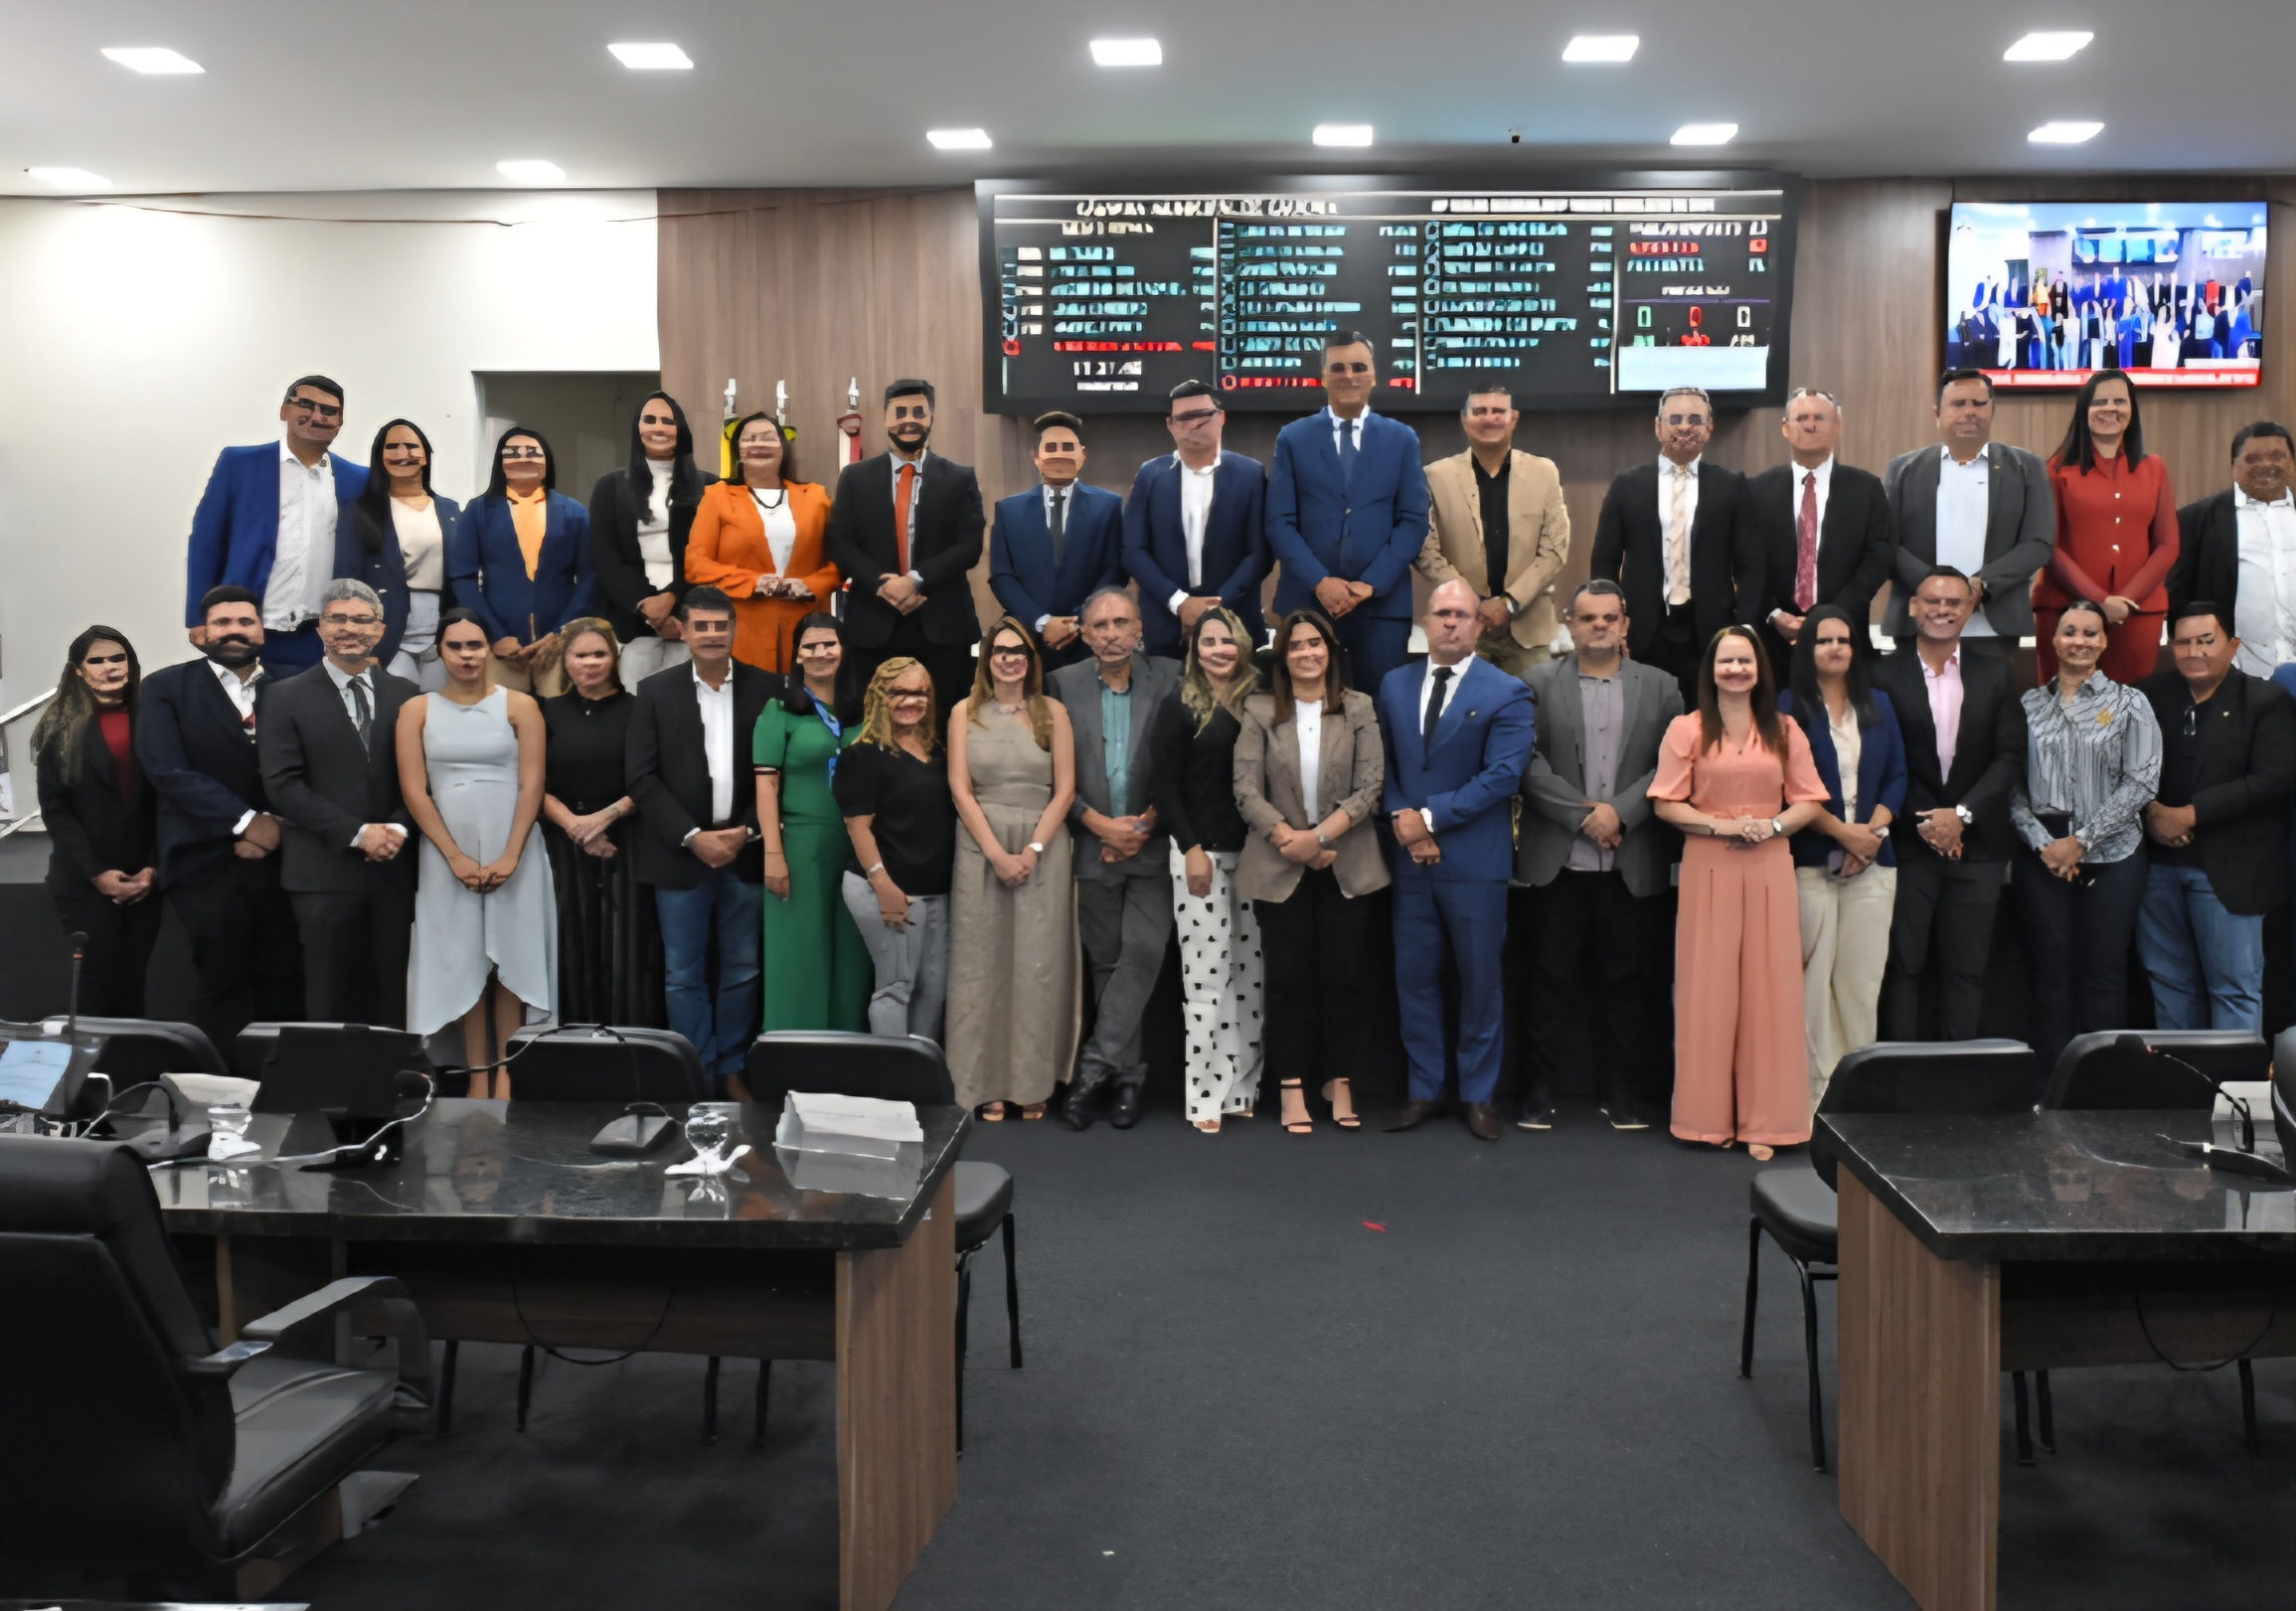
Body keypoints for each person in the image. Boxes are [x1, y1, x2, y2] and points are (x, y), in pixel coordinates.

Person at [1648, 627, 1829, 1159]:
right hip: (1709, 864)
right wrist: (1722, 826)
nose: (1735, 669)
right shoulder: (1687, 728)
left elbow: (1809, 799)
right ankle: (1705, 1120)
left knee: (1771, 992)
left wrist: (1770, 827)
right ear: (1711, 669)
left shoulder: (1785, 728)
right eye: (1725, 661)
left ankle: (1767, 1124)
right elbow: (1665, 802)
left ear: (1759, 669)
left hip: (1771, 863)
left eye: (1744, 660)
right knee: (1707, 991)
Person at [1516, 579, 1684, 1132]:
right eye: (1588, 617)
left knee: (1628, 983)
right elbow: (1525, 761)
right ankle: (1538, 1092)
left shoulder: (1662, 687)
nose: (1600, 626)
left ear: (1625, 624)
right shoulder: (1537, 682)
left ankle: (1622, 1093)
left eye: (1610, 617)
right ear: (1569, 623)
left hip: (1630, 861)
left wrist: (1621, 813)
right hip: (1557, 860)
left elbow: (1672, 765)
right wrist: (1583, 816)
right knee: (1547, 980)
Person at [1378, 581, 1537, 1142]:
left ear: (1479, 625)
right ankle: (1424, 1090)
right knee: (1414, 978)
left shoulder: (1508, 691)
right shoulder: (1394, 684)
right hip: (1409, 858)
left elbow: (1504, 776)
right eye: (1442, 613)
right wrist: (1403, 818)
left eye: (1462, 615)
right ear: (1425, 620)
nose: (1450, 623)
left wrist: (1430, 818)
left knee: (1479, 980)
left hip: (1475, 860)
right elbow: (1382, 764)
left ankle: (1478, 1096)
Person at [1233, 609, 1389, 1135]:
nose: (1306, 653)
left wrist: (1318, 839)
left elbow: (1370, 787)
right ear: (1283, 656)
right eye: (1296, 645)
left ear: (1330, 650)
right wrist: (1292, 842)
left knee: (1343, 978)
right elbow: (1245, 789)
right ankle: (1291, 1085)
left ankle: (1339, 1080)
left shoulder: (1359, 707)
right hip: (1278, 864)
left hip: (1348, 862)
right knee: (1288, 981)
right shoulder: (1258, 709)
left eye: (1315, 643)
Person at [136, 586, 303, 1048]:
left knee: (285, 980)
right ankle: (218, 1086)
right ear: (201, 633)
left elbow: (314, 765)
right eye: (222, 623)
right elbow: (165, 769)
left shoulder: (294, 684)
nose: (235, 631)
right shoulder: (164, 688)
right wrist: (247, 822)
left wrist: (276, 826)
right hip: (203, 859)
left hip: (285, 858)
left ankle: (281, 1085)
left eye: (246, 622)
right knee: (220, 981)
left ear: (262, 631)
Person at [397, 609, 556, 1093]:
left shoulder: (521, 705)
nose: (467, 655)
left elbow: (532, 784)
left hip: (516, 846)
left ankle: (506, 1077)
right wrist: (455, 857)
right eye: (456, 646)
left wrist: (511, 854)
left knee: (512, 957)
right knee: (463, 959)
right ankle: (475, 1079)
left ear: (489, 649)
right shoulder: (417, 709)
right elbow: (415, 791)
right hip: (446, 852)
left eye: (475, 645)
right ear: (439, 653)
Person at [1870, 566, 2026, 1042]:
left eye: (1954, 602)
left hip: (1977, 847)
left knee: (1968, 968)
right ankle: (1901, 1070)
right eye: (1933, 601)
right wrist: (1931, 823)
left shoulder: (1997, 672)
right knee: (1903, 965)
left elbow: (2010, 757)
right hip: (1908, 844)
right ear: (1914, 607)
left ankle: (1962, 1070)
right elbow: (1885, 759)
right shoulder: (1881, 674)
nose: (1942, 610)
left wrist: (1960, 816)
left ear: (1970, 608)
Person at [626, 587, 772, 1088]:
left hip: (744, 852)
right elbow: (641, 778)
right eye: (701, 626)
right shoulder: (654, 691)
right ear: (683, 631)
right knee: (683, 974)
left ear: (734, 628)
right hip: (679, 856)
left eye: (721, 625)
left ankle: (731, 1069)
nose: (712, 635)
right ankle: (695, 1075)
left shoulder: (768, 688)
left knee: (743, 968)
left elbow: (778, 772)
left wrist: (745, 831)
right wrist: (692, 836)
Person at [1049, 589, 1183, 1130]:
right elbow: (1051, 771)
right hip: (1090, 843)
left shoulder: (1171, 676)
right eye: (1099, 626)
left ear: (1140, 628)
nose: (1111, 634)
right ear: (1083, 634)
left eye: (1121, 622)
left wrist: (1147, 823)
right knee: (1105, 961)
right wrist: (1099, 825)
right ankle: (1126, 1078)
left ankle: (1093, 1068)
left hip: (1153, 841)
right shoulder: (1062, 684)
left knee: (1144, 952)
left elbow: (1186, 759)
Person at [2010, 599, 2163, 1075]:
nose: (2079, 641)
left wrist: (2082, 841)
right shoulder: (2029, 705)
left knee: (2104, 972)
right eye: (2070, 631)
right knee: (2050, 972)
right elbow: (2010, 783)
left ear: (2104, 641)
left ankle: (2100, 1084)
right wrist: (2044, 844)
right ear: (2053, 640)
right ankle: (2052, 1084)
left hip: (2113, 851)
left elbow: (2142, 782)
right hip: (2042, 851)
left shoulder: (2130, 703)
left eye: (2090, 633)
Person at [256, 578, 417, 1026]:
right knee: (327, 998)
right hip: (321, 873)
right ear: (321, 628)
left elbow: (421, 779)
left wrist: (398, 827)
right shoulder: (283, 696)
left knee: (392, 994)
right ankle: (326, 1074)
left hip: (394, 871)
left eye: (362, 620)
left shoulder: (408, 694)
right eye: (338, 618)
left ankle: (391, 1072)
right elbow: (282, 784)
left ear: (380, 630)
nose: (350, 628)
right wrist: (359, 833)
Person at [2134, 603, 2295, 1033]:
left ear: (2233, 645)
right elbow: (2121, 765)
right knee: (2169, 982)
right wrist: (2152, 812)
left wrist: (2192, 814)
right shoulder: (2148, 695)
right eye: (2183, 642)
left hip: (2231, 871)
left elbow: (2274, 779)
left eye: (2206, 641)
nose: (2194, 651)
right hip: (2158, 869)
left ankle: (2232, 1079)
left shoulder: (2265, 700)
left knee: (2235, 988)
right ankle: (2180, 1076)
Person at [946, 618, 1079, 1118]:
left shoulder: (1053, 712)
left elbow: (1065, 789)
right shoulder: (963, 712)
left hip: (1042, 845)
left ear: (1031, 659)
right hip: (980, 844)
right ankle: (982, 1084)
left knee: (1036, 964)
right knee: (979, 967)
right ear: (987, 660)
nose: (1009, 659)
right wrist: (997, 854)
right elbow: (960, 790)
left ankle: (1031, 1082)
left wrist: (1032, 851)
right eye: (1000, 651)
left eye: (1018, 651)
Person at [1776, 606, 1906, 1102]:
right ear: (1807, 650)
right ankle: (1812, 1098)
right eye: (1824, 640)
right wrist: (1842, 835)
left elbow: (1897, 776)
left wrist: (1869, 836)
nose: (1835, 648)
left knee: (1860, 982)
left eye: (1844, 640)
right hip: (1811, 860)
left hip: (1874, 863)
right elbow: (1788, 786)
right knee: (1812, 983)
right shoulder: (1788, 706)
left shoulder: (1879, 704)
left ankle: (1857, 1096)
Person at [1146, 606, 1263, 1132]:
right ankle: (1205, 1097)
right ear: (1195, 649)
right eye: (1209, 641)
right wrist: (1189, 846)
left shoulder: (1260, 702)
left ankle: (1241, 1088)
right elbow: (1163, 785)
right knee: (1207, 979)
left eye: (1228, 640)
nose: (1219, 650)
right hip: (1201, 854)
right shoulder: (1179, 704)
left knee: (1250, 977)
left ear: (1243, 645)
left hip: (1257, 855)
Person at [1266, 331, 1431, 693]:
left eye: (1359, 367)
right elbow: (1279, 522)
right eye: (1338, 368)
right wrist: (1321, 582)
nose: (1349, 375)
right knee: (1303, 706)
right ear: (1323, 377)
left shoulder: (1402, 439)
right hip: (1307, 602)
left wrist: (1369, 584)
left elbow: (1413, 520)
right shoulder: (1292, 438)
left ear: (1374, 376)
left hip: (1381, 605)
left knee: (1381, 707)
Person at [184, 376, 371, 676]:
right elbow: (206, 542)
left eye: (329, 411)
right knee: (241, 705)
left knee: (312, 706)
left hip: (321, 635)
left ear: (340, 421)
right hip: (247, 625)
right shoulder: (239, 463)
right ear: (284, 410)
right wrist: (198, 615)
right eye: (305, 404)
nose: (317, 416)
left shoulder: (358, 479)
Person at [1589, 386, 1761, 704]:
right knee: (1644, 720)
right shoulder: (1627, 485)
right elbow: (1605, 562)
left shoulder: (1732, 485)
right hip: (1642, 631)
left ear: (1709, 428)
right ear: (1658, 427)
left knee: (1707, 721)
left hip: (1712, 632)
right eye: (1675, 419)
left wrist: (1744, 629)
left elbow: (1750, 565)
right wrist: (1611, 625)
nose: (1684, 426)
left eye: (1695, 419)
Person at [826, 379, 985, 716]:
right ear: (885, 418)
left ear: (932, 418)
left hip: (943, 624)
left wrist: (914, 580)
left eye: (918, 412)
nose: (908, 420)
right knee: (874, 722)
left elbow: (969, 546)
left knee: (944, 723)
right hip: (873, 622)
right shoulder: (854, 478)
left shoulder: (960, 478)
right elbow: (840, 542)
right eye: (899, 412)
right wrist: (883, 584)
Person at [1882, 370, 2055, 659]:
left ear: (1992, 410)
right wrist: (1935, 587)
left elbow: (2038, 542)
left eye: (1978, 403)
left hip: (1994, 628)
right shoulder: (1903, 469)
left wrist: (1981, 585)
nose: (1969, 411)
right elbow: (1884, 541)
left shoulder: (2027, 467)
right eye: (1958, 404)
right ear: (1938, 414)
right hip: (1918, 626)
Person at [752, 612, 871, 1033]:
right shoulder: (780, 710)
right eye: (810, 646)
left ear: (844, 650)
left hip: (859, 846)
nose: (821, 652)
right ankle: (794, 1052)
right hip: (801, 847)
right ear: (798, 655)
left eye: (829, 644)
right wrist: (773, 854)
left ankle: (848, 1048)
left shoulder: (865, 710)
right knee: (799, 953)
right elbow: (766, 785)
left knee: (853, 954)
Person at [31, 626, 159, 1017]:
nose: (109, 667)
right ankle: (91, 1061)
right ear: (79, 671)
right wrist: (98, 873)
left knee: (134, 986)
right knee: (96, 987)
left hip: (147, 880)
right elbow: (56, 811)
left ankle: (131, 1059)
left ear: (131, 664)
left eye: (118, 658)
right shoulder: (58, 729)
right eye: (97, 660)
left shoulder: (155, 720)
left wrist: (152, 868)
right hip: (84, 881)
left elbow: (168, 800)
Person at [539, 618, 660, 1028]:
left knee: (629, 949)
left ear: (615, 658)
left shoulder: (640, 708)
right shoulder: (546, 710)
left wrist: (606, 819)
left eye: (599, 654)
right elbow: (531, 781)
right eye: (580, 655)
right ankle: (574, 1044)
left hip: (627, 838)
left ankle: (628, 1047)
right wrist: (576, 827)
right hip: (562, 840)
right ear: (565, 661)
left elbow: (654, 774)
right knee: (570, 943)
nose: (590, 663)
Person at [834, 657, 957, 1040]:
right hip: (887, 885)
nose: (910, 701)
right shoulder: (862, 754)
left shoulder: (939, 750)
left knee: (934, 989)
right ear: (879, 696)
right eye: (899, 692)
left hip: (935, 889)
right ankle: (891, 1073)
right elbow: (857, 826)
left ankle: (919, 1071)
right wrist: (883, 885)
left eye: (920, 692)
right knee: (896, 987)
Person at [1413, 385, 1571, 679]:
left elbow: (1555, 550)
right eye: (1479, 411)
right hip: (1461, 628)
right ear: (1464, 419)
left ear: (1514, 418)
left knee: (1532, 707)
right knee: (1461, 707)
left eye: (1498, 411)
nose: (1489, 418)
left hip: (1530, 631)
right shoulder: (1434, 476)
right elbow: (1426, 550)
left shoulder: (1544, 472)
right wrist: (1470, 603)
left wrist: (1508, 603)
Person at [2034, 372, 2180, 684]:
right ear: (2084, 410)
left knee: (2130, 705)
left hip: (2137, 614)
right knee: (2065, 705)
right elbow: (2048, 545)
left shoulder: (2154, 468)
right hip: (2065, 611)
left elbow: (2168, 544)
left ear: (2132, 409)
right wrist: (2099, 600)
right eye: (2099, 402)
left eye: (2119, 401)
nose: (2110, 409)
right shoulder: (2057, 469)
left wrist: (2126, 600)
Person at [1121, 381, 1268, 661]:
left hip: (1236, 622)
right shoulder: (1149, 476)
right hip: (1166, 626)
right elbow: (1133, 550)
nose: (1195, 424)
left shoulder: (1250, 474)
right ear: (1171, 425)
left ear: (1221, 417)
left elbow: (1260, 553)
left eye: (1204, 415)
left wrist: (1216, 606)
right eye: (1184, 418)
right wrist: (1180, 603)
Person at [1749, 389, 1893, 671]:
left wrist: (1832, 616)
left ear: (1838, 425)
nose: (1810, 425)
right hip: (1775, 639)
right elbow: (1747, 562)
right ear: (1785, 428)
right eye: (1801, 418)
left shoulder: (1866, 489)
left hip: (1846, 634)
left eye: (1819, 417)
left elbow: (1879, 558)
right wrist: (1775, 613)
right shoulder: (1757, 490)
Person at [447, 425, 596, 699]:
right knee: (502, 717)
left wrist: (560, 632)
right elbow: (462, 577)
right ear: (500, 462)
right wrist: (494, 634)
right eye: (513, 453)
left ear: (547, 461)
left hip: (560, 645)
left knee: (559, 716)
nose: (524, 458)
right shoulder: (478, 511)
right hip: (500, 647)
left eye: (533, 452)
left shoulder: (574, 512)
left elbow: (590, 578)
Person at [685, 410, 837, 677]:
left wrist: (810, 585)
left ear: (783, 447)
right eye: (749, 439)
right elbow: (696, 565)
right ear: (737, 450)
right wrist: (757, 583)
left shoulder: (815, 497)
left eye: (768, 437)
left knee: (804, 699)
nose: (759, 444)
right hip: (744, 627)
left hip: (807, 628)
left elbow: (839, 561)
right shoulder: (717, 496)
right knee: (752, 697)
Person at [589, 391, 717, 686]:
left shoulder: (712, 487)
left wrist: (674, 601)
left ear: (681, 430)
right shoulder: (609, 486)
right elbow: (606, 558)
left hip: (692, 621)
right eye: (650, 420)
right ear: (638, 428)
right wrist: (648, 609)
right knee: (634, 705)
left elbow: (710, 554)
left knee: (689, 706)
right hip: (631, 624)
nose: (658, 428)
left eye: (668, 421)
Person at [989, 412, 1125, 669]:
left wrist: (1076, 621)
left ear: (1083, 455)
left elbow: (1115, 571)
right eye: (1051, 447)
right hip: (1028, 638)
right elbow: (1002, 576)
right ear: (1036, 456)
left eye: (1068, 447)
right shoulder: (1008, 510)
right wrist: (1042, 622)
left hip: (1090, 638)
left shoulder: (1109, 507)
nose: (1059, 454)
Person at [2165, 421, 2296, 677]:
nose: (2266, 464)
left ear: (2292, 462)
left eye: (2277, 456)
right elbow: (2176, 597)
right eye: (2253, 458)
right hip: (2233, 672)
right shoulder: (2196, 519)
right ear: (2234, 465)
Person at [345, 419, 457, 690]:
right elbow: (348, 585)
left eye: (411, 446)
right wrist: (362, 646)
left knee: (440, 709)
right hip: (388, 634)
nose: (402, 454)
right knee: (395, 708)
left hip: (440, 635)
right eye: (392, 447)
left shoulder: (450, 509)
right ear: (379, 456)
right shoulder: (359, 511)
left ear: (426, 455)